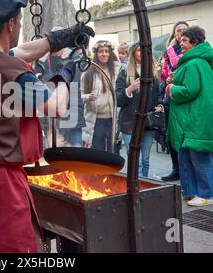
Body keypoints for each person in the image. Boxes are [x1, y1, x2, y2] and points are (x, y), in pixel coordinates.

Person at [0, 0, 94, 253]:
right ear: (10, 24)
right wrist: (65, 74)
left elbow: (20, 51)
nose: (19, 26)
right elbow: (55, 107)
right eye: (19, 22)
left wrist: (58, 39)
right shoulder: (15, 74)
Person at [166, 26, 213, 206]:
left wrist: (172, 88)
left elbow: (190, 90)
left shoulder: (194, 63)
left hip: (195, 117)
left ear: (195, 42)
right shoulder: (197, 61)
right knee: (187, 155)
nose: (180, 42)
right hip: (192, 117)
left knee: (198, 156)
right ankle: (190, 191)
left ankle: (206, 194)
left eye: (184, 40)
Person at [115, 42, 163, 178]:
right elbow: (118, 100)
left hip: (148, 122)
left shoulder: (153, 72)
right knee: (135, 158)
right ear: (133, 54)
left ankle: (144, 184)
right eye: (138, 51)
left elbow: (158, 95)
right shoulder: (124, 73)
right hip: (130, 122)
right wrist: (129, 90)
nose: (142, 53)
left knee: (145, 159)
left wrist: (160, 105)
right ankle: (136, 187)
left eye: (144, 50)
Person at [160, 21, 189, 182]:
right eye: (179, 31)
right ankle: (175, 168)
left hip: (181, 98)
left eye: (185, 30)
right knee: (170, 135)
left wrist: (170, 50)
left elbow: (178, 64)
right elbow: (165, 74)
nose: (182, 33)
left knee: (182, 135)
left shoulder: (189, 51)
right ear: (175, 34)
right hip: (169, 96)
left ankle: (184, 169)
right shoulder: (168, 52)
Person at [81, 40, 121, 151]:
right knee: (98, 153)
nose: (104, 54)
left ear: (111, 53)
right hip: (95, 120)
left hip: (113, 119)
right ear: (96, 54)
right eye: (100, 51)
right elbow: (80, 95)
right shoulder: (88, 72)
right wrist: (87, 97)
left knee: (113, 152)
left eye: (106, 51)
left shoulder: (118, 70)